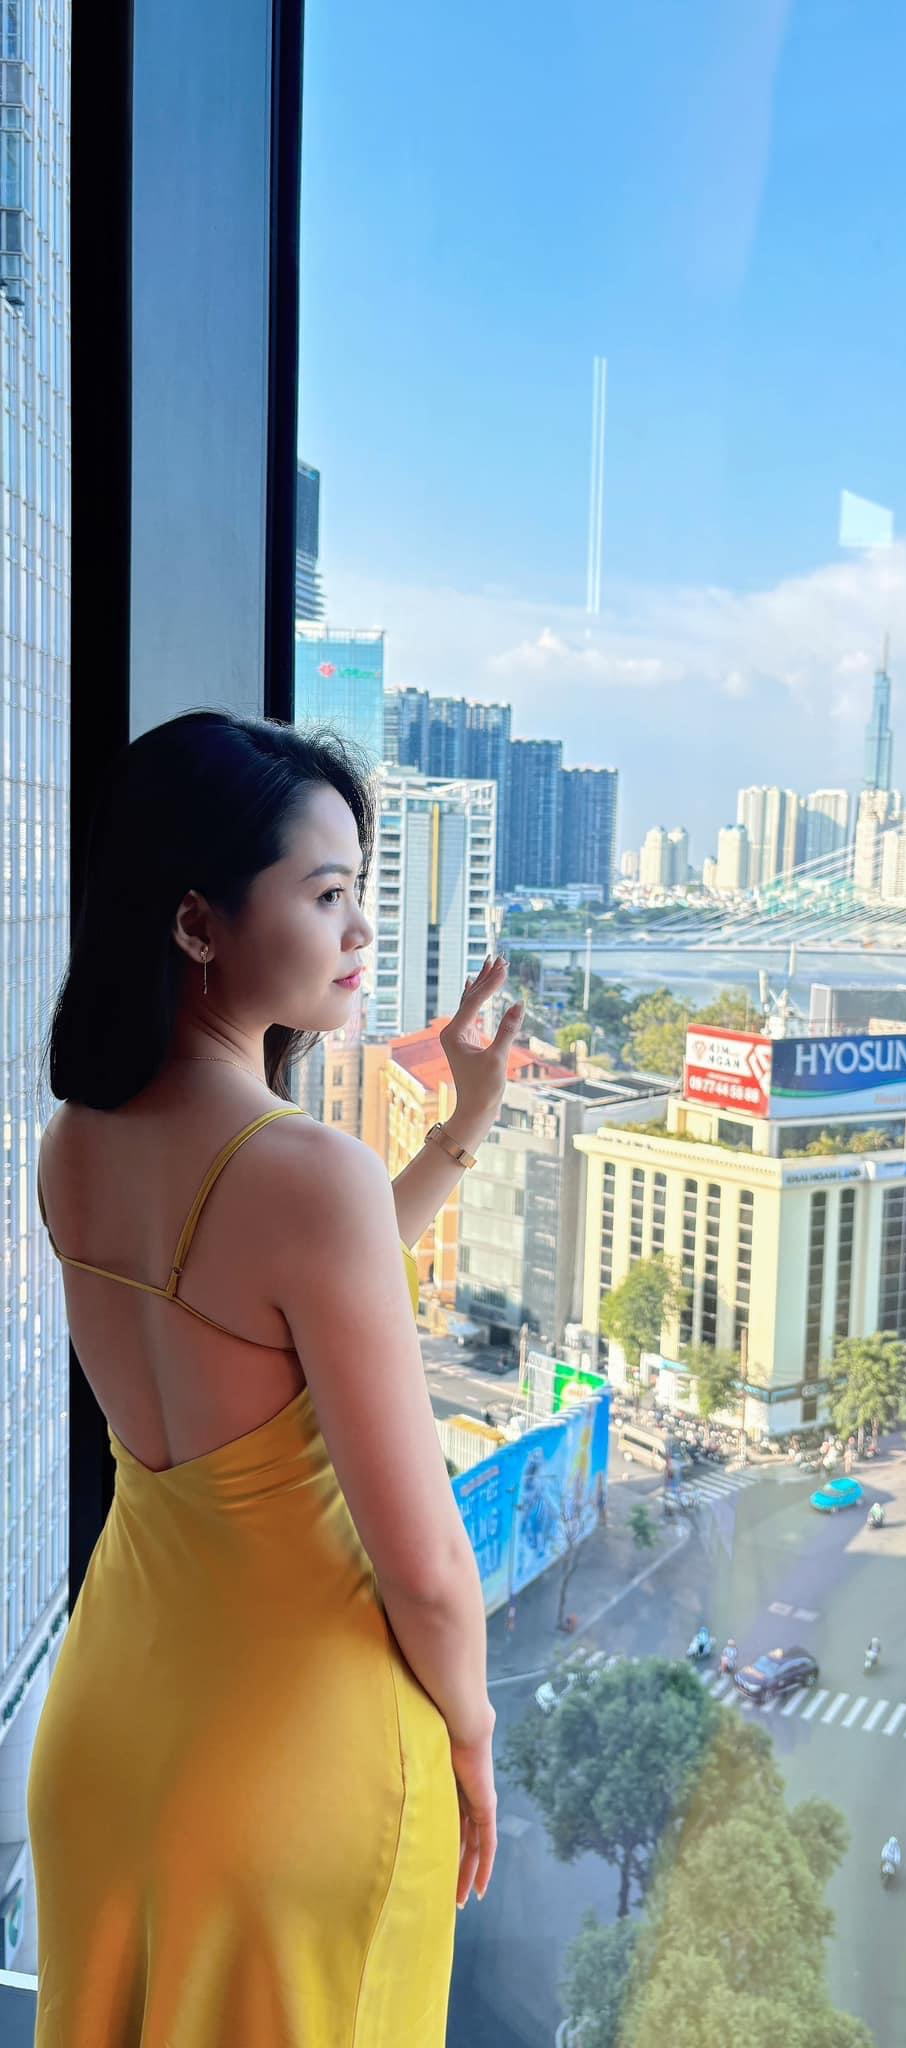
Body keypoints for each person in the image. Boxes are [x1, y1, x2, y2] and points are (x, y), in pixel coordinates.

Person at [29, 713, 526, 2042]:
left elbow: (275, 1313)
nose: (360, 929)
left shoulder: (75, 1141)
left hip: (111, 1734)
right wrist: (472, 1735)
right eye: (326, 894)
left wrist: (459, 1134)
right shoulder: (308, 1178)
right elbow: (427, 1569)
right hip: (295, 1771)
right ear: (198, 924)